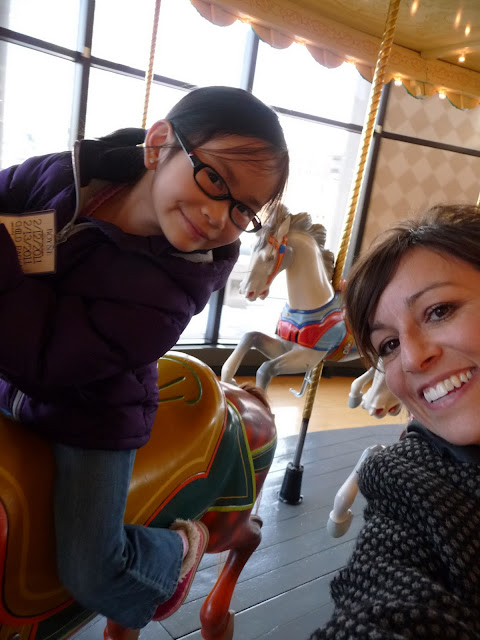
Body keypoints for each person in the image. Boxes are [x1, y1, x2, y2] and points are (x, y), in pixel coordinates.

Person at [0, 86, 289, 629]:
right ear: (158, 146)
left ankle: (173, 553)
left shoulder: (170, 289)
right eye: (215, 179)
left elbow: (49, 357)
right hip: (9, 369)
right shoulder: (69, 176)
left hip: (90, 412)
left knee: (91, 567)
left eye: (243, 209)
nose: (218, 215)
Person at [309, 204, 480, 639]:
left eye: (439, 311)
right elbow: (388, 606)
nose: (411, 358)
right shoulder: (409, 489)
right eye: (388, 344)